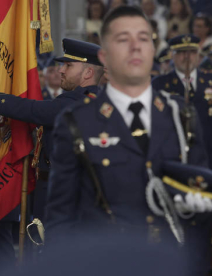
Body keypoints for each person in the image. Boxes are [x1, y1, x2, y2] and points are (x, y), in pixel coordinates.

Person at [45, 6, 210, 275]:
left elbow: (199, 216)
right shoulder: (77, 122)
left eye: (144, 38)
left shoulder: (181, 117)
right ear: (104, 56)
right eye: (123, 39)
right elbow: (60, 220)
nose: (135, 47)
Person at [0, 38, 104, 275]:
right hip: (50, 190)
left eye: (68, 66)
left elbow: (33, 111)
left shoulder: (85, 101)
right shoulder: (77, 99)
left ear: (88, 73)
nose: (60, 70)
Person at [152, 34, 212, 169]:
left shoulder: (210, 81)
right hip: (175, 155)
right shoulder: (160, 84)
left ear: (198, 55)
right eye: (181, 52)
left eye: (192, 52)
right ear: (172, 56)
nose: (187, 57)